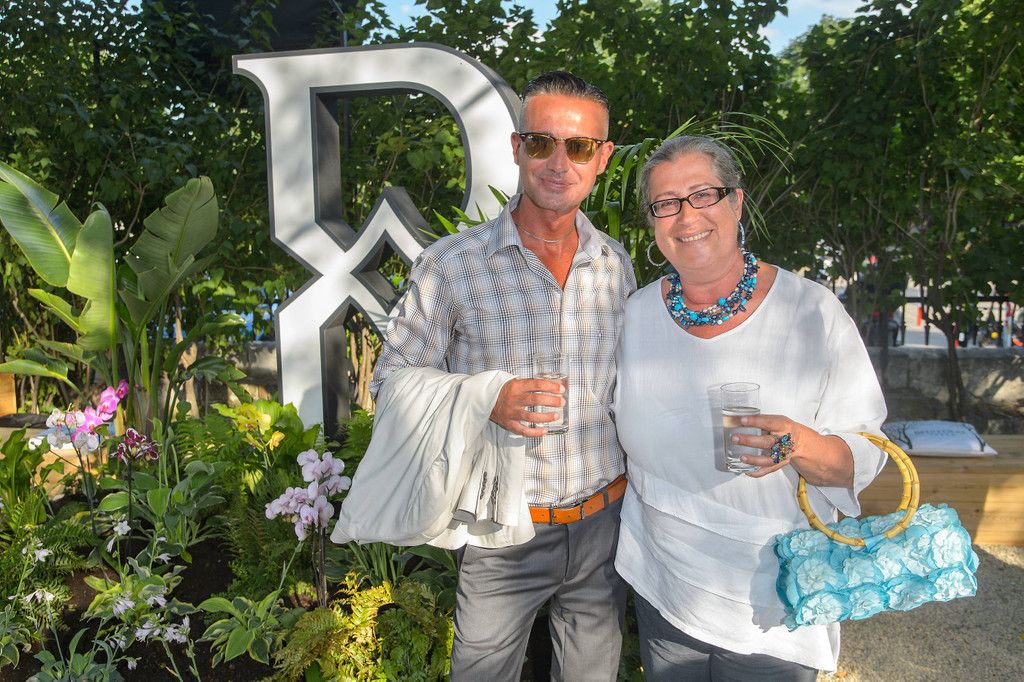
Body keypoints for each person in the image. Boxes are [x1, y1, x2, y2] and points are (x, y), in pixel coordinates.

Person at [370, 71, 636, 681]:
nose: (559, 163)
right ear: (517, 148)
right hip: (501, 529)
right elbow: (389, 383)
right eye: (542, 143)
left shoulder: (614, 264)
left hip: (604, 528)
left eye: (579, 147)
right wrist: (484, 397)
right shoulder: (452, 264)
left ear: (602, 159)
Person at [613, 135, 887, 680]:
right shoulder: (634, 317)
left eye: (703, 195)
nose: (686, 216)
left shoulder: (811, 311)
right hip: (665, 587)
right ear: (653, 223)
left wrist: (800, 443)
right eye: (666, 203)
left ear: (736, 202)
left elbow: (866, 453)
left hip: (774, 602)